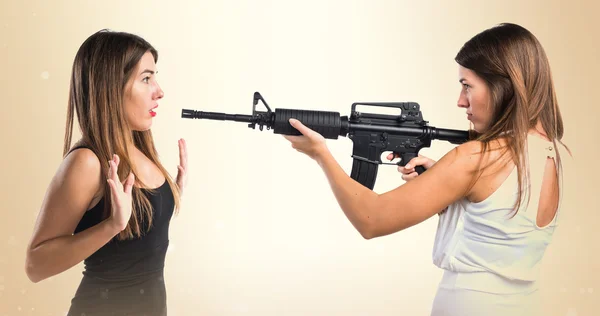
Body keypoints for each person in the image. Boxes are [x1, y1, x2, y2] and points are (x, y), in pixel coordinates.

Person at [283, 22, 572, 315]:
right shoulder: (555, 153)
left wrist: (320, 154)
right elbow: (502, 223)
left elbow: (371, 220)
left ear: (504, 85)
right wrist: (447, 184)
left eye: (467, 86)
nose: (461, 102)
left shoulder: (475, 158)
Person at [25, 29, 188, 316]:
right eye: (146, 78)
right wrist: (111, 226)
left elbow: (139, 244)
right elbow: (35, 266)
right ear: (112, 86)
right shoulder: (87, 163)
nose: (159, 91)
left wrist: (169, 196)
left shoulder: (139, 148)